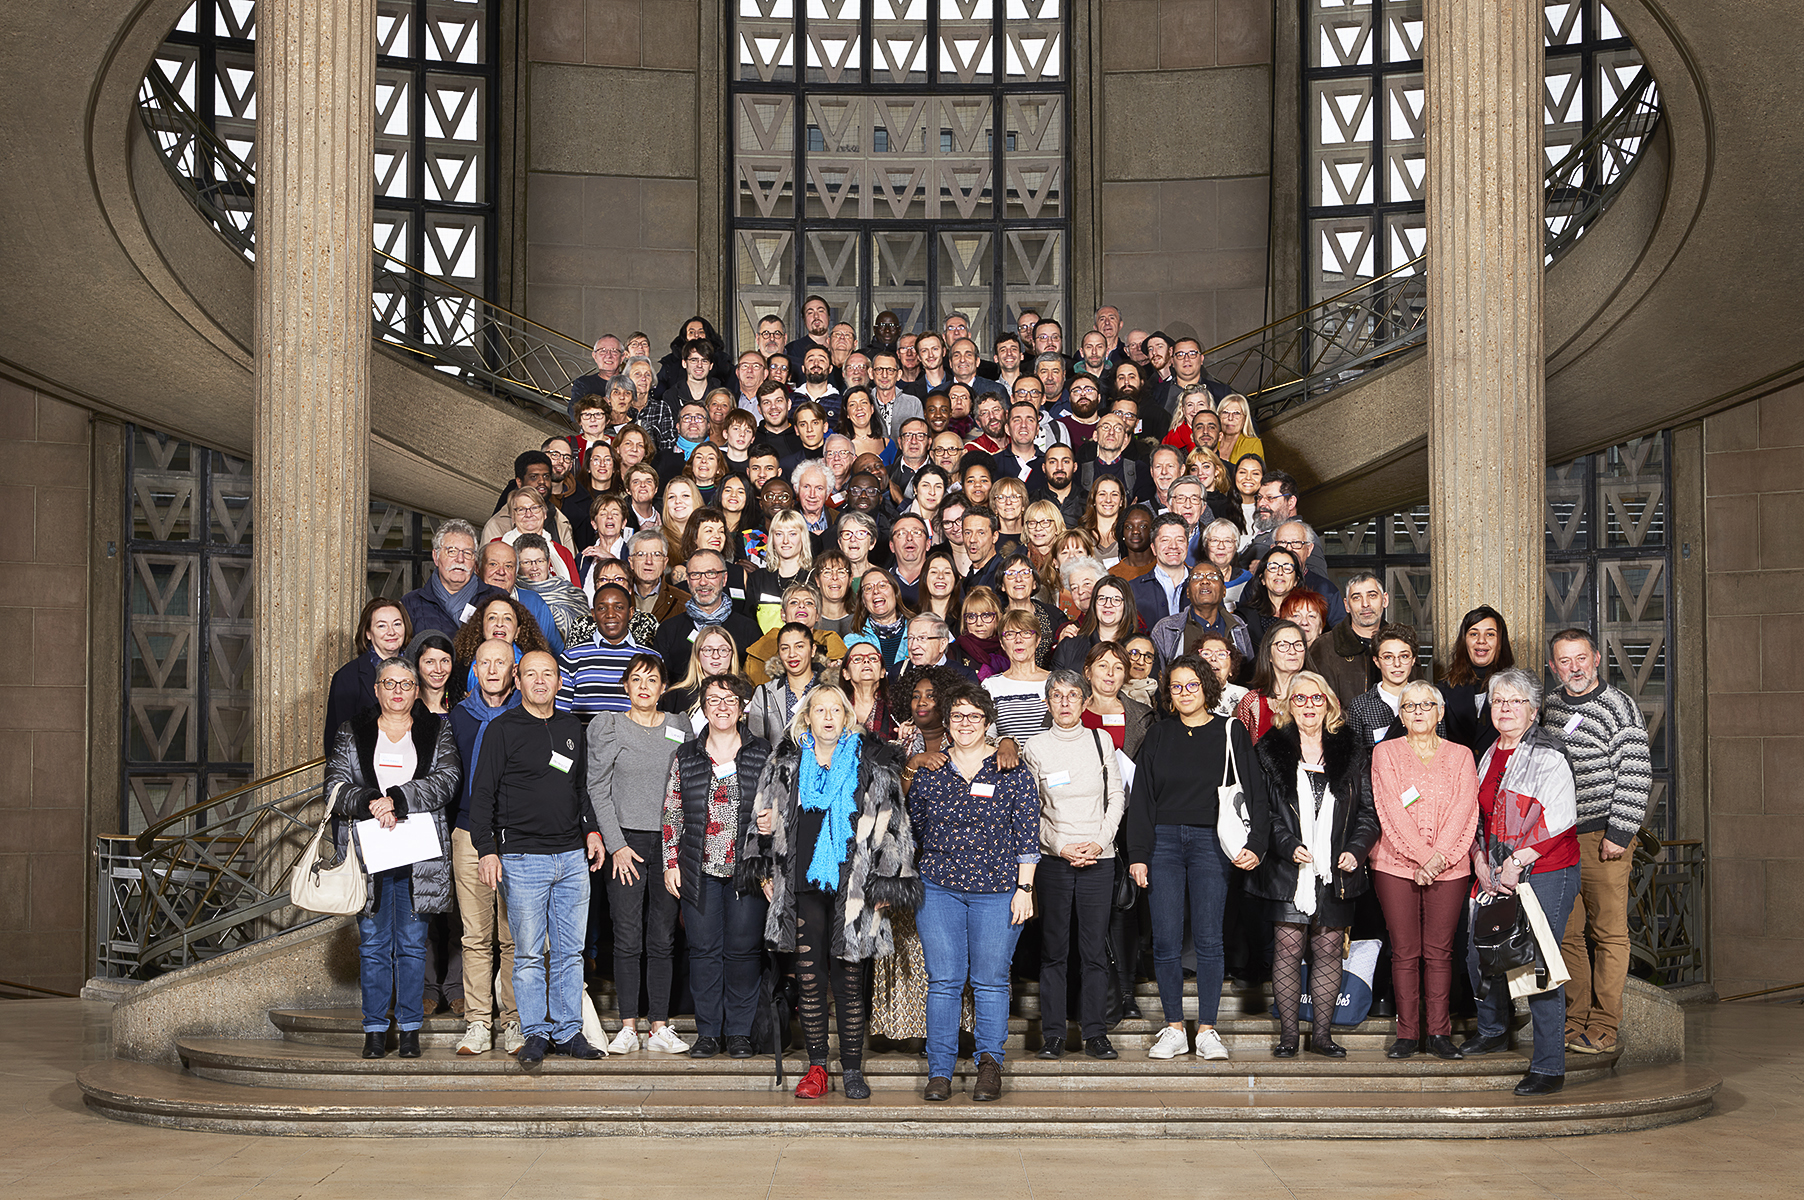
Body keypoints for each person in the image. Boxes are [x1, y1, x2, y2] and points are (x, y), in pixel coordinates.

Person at [741, 685, 920, 1100]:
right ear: (806, 718)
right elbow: (761, 817)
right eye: (818, 709)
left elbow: (893, 826)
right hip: (800, 882)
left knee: (848, 979)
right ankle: (817, 1066)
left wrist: (888, 882)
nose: (826, 716)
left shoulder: (869, 762)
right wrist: (764, 850)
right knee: (809, 978)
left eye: (834, 710)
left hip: (852, 886)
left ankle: (853, 1069)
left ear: (846, 717)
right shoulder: (785, 760)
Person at [468, 651, 606, 1064]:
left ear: (560, 680)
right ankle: (535, 1033)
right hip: (523, 859)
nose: (540, 681)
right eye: (531, 674)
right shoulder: (501, 729)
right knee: (528, 952)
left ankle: (568, 1031)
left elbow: (581, 790)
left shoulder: (570, 727)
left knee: (570, 952)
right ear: (517, 678)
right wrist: (487, 851)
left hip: (571, 858)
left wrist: (592, 831)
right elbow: (482, 797)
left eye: (548, 674)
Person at [1126, 655, 1266, 1060]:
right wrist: (1138, 854)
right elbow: (1143, 800)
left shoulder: (1230, 731)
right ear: (1168, 694)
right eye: (1176, 687)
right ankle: (1173, 1028)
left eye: (1192, 685)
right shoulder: (1159, 735)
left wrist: (1256, 843)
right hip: (1163, 843)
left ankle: (1207, 1029)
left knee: (1208, 939)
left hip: (1212, 842)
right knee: (1166, 939)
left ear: (1207, 687)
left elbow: (1254, 790)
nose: (1184, 693)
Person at [906, 682, 1040, 1102]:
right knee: (943, 981)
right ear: (946, 722)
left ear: (988, 723)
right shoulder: (930, 773)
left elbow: (1027, 836)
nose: (965, 724)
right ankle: (940, 1072)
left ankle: (989, 1066)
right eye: (958, 716)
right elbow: (916, 832)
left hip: (999, 890)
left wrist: (1025, 888)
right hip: (939, 889)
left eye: (974, 716)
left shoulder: (1013, 772)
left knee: (991, 981)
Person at [326, 656, 460, 1059]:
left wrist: (398, 799)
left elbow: (448, 779)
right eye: (390, 683)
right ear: (377, 689)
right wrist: (371, 801)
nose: (398, 691)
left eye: (406, 684)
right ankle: (374, 1028)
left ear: (417, 691)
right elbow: (334, 786)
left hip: (418, 857)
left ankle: (410, 1030)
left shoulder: (438, 729)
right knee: (373, 943)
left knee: (413, 944)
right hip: (370, 855)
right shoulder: (353, 732)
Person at [1460, 668, 1582, 1097]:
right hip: (1493, 869)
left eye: (1515, 701)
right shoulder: (1488, 753)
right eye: (1498, 701)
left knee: (1536, 963)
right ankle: (1493, 1029)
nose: (1506, 708)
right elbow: (1477, 815)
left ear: (1533, 710)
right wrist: (1477, 857)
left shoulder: (1549, 750)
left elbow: (1560, 816)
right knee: (1482, 951)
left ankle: (1549, 1066)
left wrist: (1517, 860)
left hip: (1545, 870)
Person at [1248, 670, 1379, 1059]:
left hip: (1336, 869)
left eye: (1316, 698)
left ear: (1330, 704)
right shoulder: (1270, 748)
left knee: (1327, 949)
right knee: (1288, 948)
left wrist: (1356, 850)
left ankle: (1321, 1037)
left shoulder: (1352, 749)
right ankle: (1290, 1036)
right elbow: (1263, 812)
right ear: (1290, 705)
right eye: (1300, 699)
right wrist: (1287, 844)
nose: (1308, 706)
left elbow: (1369, 813)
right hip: (1288, 870)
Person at [1543, 628, 1653, 1057]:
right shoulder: (1550, 707)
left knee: (1608, 934)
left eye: (1581, 659)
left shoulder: (1619, 706)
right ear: (1554, 667)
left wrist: (1619, 834)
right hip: (1558, 839)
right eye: (1564, 661)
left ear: (1596, 659)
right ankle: (1575, 1018)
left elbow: (1636, 772)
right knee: (1566, 934)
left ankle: (1605, 1026)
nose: (1574, 668)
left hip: (1601, 836)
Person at [661, 673, 772, 1059]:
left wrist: (770, 862)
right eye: (713, 700)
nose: (721, 707)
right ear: (703, 707)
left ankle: (739, 1033)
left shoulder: (763, 753)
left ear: (742, 709)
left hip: (747, 869)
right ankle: (708, 1033)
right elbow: (673, 812)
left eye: (730, 700)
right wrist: (670, 863)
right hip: (698, 867)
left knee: (743, 952)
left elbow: (779, 809)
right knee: (704, 951)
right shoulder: (687, 755)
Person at [587, 653, 692, 1055]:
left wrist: (677, 848)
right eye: (636, 679)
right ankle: (628, 1025)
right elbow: (597, 787)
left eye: (652, 680)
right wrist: (616, 845)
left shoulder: (679, 727)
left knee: (663, 938)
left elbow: (687, 785)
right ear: (626, 687)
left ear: (664, 688)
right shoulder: (609, 726)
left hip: (668, 842)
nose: (644, 686)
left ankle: (659, 1025)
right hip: (625, 843)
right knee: (627, 937)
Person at [1370, 680, 1478, 1061]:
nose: (1418, 712)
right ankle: (1407, 1034)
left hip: (1449, 867)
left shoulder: (1462, 755)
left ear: (1441, 711)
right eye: (1410, 706)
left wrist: (1438, 859)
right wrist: (1421, 857)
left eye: (1426, 705)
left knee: (1440, 952)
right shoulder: (1386, 753)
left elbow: (1465, 809)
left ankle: (1438, 1032)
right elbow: (1389, 811)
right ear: (1400, 714)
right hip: (1395, 865)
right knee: (1404, 951)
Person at [1025, 670, 1127, 1061]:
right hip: (1055, 860)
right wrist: (1061, 845)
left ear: (1085, 702)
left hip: (1098, 860)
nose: (1065, 702)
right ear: (1047, 702)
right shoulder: (1034, 746)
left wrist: (1099, 842)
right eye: (1056, 695)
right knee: (1053, 951)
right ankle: (1053, 1035)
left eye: (1072, 695)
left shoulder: (1102, 742)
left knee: (1094, 952)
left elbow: (1116, 798)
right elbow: (1030, 812)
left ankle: (1095, 1033)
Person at [447, 639, 523, 1056]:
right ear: (475, 669)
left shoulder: (526, 713)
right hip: (468, 833)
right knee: (475, 934)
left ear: (514, 669)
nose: (493, 670)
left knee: (514, 936)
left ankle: (512, 1020)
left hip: (516, 837)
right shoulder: (459, 716)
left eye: (501, 662)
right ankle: (478, 1021)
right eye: (485, 663)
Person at [325, 598, 414, 757]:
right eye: (381, 626)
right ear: (368, 633)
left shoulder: (416, 671)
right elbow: (336, 741)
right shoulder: (347, 677)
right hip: (365, 774)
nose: (391, 632)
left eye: (397, 624)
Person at [403, 519, 504, 639]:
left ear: (474, 560)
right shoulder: (410, 604)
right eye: (452, 551)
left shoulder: (499, 598)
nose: (460, 559)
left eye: (467, 553)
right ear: (436, 556)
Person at [1439, 605, 1516, 757]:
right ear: (1464, 640)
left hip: (1503, 776)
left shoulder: (1519, 690)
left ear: (1501, 641)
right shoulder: (1442, 690)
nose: (1481, 641)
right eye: (1474, 634)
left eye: (1490, 634)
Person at [1150, 563, 1255, 669]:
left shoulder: (1238, 625)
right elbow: (1158, 677)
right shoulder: (1165, 628)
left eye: (1213, 576)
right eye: (1196, 577)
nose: (1205, 581)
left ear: (1224, 591)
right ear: (1188, 592)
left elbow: (1248, 673)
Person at [983, 608, 1052, 742]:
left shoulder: (1056, 682)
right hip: (1008, 761)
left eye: (1026, 633)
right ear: (1002, 643)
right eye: (1010, 634)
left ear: (1038, 640)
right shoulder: (990, 685)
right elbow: (988, 736)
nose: (1018, 640)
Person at [1234, 619, 1310, 742]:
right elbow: (1241, 750)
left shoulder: (1320, 697)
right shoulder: (1251, 702)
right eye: (1283, 645)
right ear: (1268, 654)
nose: (1292, 651)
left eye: (1298, 644)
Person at [1347, 630, 1422, 746]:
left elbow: (1442, 751)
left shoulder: (1428, 702)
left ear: (1413, 659)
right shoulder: (1360, 706)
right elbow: (1355, 758)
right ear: (1376, 661)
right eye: (1388, 657)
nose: (1397, 664)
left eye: (1404, 656)